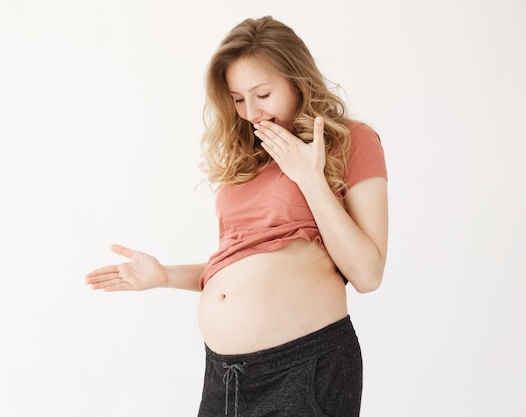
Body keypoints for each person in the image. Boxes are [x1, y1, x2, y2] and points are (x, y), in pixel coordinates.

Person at [85, 15, 388, 417]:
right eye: (238, 98)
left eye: (262, 94)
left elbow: (368, 274)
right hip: (223, 377)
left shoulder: (349, 141)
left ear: (298, 80)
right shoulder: (248, 160)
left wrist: (310, 179)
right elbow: (241, 263)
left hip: (304, 366)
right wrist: (163, 276)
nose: (251, 112)